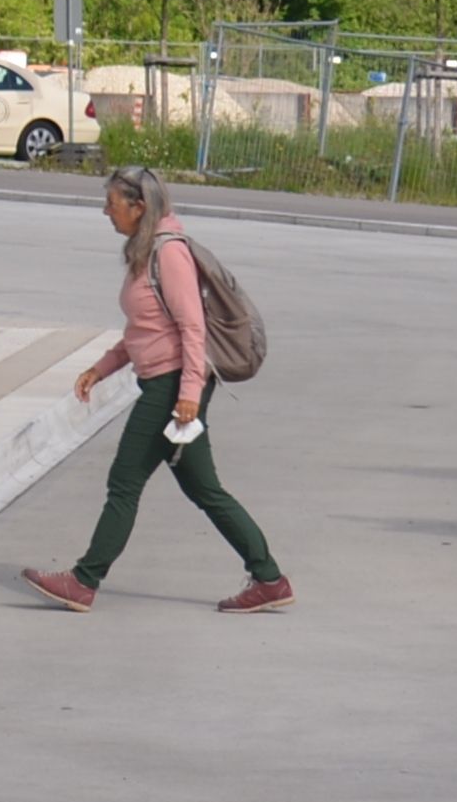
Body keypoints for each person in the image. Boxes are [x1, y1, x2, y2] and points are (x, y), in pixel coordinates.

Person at [24, 169, 292, 614]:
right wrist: (101, 368)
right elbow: (142, 331)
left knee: (124, 482)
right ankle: (269, 578)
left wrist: (188, 395)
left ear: (139, 207)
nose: (106, 211)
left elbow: (192, 328)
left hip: (172, 388)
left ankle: (84, 581)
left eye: (112, 203)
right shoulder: (145, 253)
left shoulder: (169, 254)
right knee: (205, 490)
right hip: (166, 382)